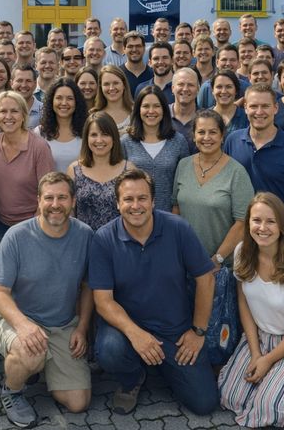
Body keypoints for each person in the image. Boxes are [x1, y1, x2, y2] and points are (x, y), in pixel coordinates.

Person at [90, 169, 219, 416]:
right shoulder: (104, 239)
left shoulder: (178, 228)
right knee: (109, 350)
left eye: (142, 198)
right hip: (127, 329)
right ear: (117, 203)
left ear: (153, 201)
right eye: (128, 199)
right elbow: (103, 301)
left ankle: (162, 364)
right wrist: (136, 334)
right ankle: (132, 378)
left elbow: (206, 279)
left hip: (174, 330)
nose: (135, 206)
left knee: (204, 403)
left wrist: (198, 331)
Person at [0, 172, 94, 426]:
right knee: (30, 353)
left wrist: (82, 328)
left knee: (78, 403)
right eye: (49, 198)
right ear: (38, 200)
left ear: (73, 201)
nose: (55, 204)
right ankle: (12, 391)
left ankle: (40, 367)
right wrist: (23, 326)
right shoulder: (16, 236)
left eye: (62, 198)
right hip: (19, 319)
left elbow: (87, 286)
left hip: (62, 325)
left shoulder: (85, 235)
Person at [219, 193, 284, 428]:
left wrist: (268, 360)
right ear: (248, 223)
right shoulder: (242, 252)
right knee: (230, 397)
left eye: (271, 221)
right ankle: (280, 379)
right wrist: (255, 353)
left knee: (269, 409)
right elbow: (244, 303)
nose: (262, 228)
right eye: (257, 220)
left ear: (282, 226)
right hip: (260, 337)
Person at [224, 86, 284, 240]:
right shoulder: (233, 140)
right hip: (240, 234)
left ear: (276, 108)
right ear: (245, 108)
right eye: (254, 106)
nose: (259, 112)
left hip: (280, 235)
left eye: (265, 106)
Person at [171, 110, 252, 263]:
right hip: (185, 260)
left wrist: (217, 258)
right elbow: (176, 209)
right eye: (201, 132)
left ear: (222, 136)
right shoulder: (183, 165)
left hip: (221, 265)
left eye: (213, 132)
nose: (207, 137)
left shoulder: (236, 172)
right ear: (194, 136)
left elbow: (243, 222)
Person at [0, 91, 56, 244]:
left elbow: (48, 192)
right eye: (3, 111)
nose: (8, 116)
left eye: (14, 111)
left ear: (24, 115)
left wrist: (36, 228)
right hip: (0, 224)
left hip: (31, 225)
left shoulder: (39, 147)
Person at [120, 85, 192, 213]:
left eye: (156, 106)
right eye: (146, 106)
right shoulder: (126, 142)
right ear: (138, 110)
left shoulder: (178, 141)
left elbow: (185, 183)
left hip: (169, 215)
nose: (151, 111)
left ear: (164, 109)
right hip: (135, 214)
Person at [68, 112, 134, 231]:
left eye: (105, 134)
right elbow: (69, 212)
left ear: (114, 137)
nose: (99, 140)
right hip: (84, 239)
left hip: (118, 239)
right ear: (86, 138)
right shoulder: (74, 170)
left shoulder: (129, 169)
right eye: (93, 135)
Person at [37, 76, 88, 173]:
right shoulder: (39, 133)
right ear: (51, 101)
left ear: (76, 102)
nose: (64, 103)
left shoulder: (87, 131)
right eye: (59, 98)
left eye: (69, 98)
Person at [94, 65, 133, 134]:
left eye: (116, 83)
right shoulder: (94, 116)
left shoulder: (136, 112)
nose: (111, 88)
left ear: (124, 85)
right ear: (100, 87)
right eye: (106, 84)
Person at [169, 67, 201, 148]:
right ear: (172, 88)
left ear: (198, 89)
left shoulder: (206, 118)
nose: (185, 89)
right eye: (181, 84)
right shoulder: (161, 115)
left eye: (190, 85)